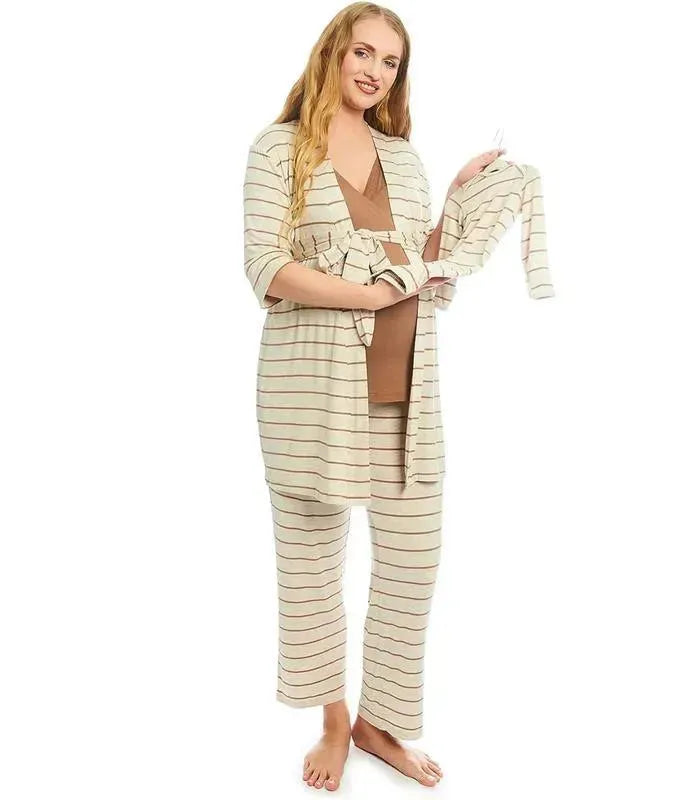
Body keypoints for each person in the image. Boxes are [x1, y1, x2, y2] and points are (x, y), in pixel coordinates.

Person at [242, 3, 506, 791]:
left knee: (412, 561)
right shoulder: (278, 148)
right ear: (333, 51)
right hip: (311, 392)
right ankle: (334, 722)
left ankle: (378, 723)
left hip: (407, 388)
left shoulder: (404, 156)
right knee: (313, 563)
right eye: (364, 52)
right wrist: (363, 296)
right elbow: (265, 266)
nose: (375, 71)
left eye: (390, 62)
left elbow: (419, 261)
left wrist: (458, 198)